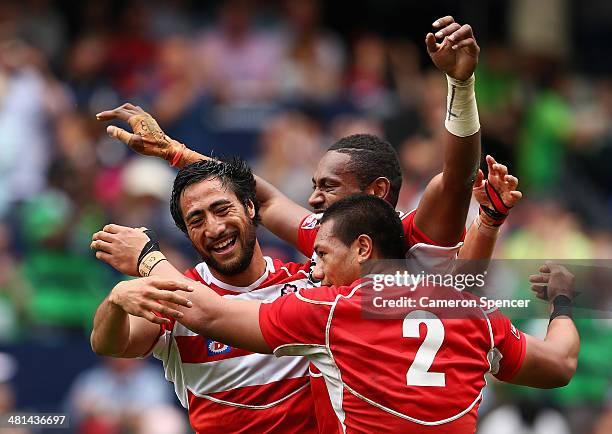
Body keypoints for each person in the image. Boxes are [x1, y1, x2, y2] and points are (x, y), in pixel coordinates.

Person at [101, 194, 579, 433]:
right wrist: (561, 304)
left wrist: (148, 258)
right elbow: (559, 365)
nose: (316, 268)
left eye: (325, 255)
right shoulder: (473, 312)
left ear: (364, 249)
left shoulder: (331, 310)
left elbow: (208, 313)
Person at [96, 15, 521, 278]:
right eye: (316, 184)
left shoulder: (420, 238)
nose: (314, 197)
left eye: (329, 186)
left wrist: (461, 85)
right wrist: (172, 150)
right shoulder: (326, 239)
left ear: (375, 192)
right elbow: (257, 193)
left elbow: (460, 174)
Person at [90, 159, 318, 433]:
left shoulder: (310, 283)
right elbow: (108, 345)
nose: (214, 228)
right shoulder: (169, 295)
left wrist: (147, 260)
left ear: (249, 206)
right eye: (196, 220)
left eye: (222, 210)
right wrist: (115, 301)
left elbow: (210, 313)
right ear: (187, 234)